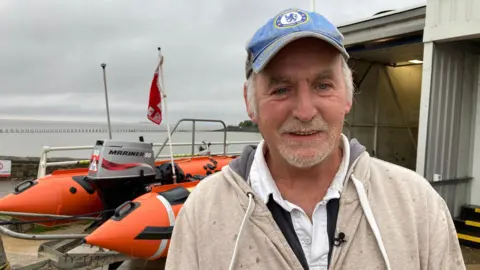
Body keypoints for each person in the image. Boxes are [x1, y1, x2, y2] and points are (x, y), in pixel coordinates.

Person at [165, 7, 465, 270]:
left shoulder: (416, 203)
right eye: (281, 89)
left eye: (323, 85)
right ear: (249, 102)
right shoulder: (204, 212)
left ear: (347, 96)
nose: (305, 111)